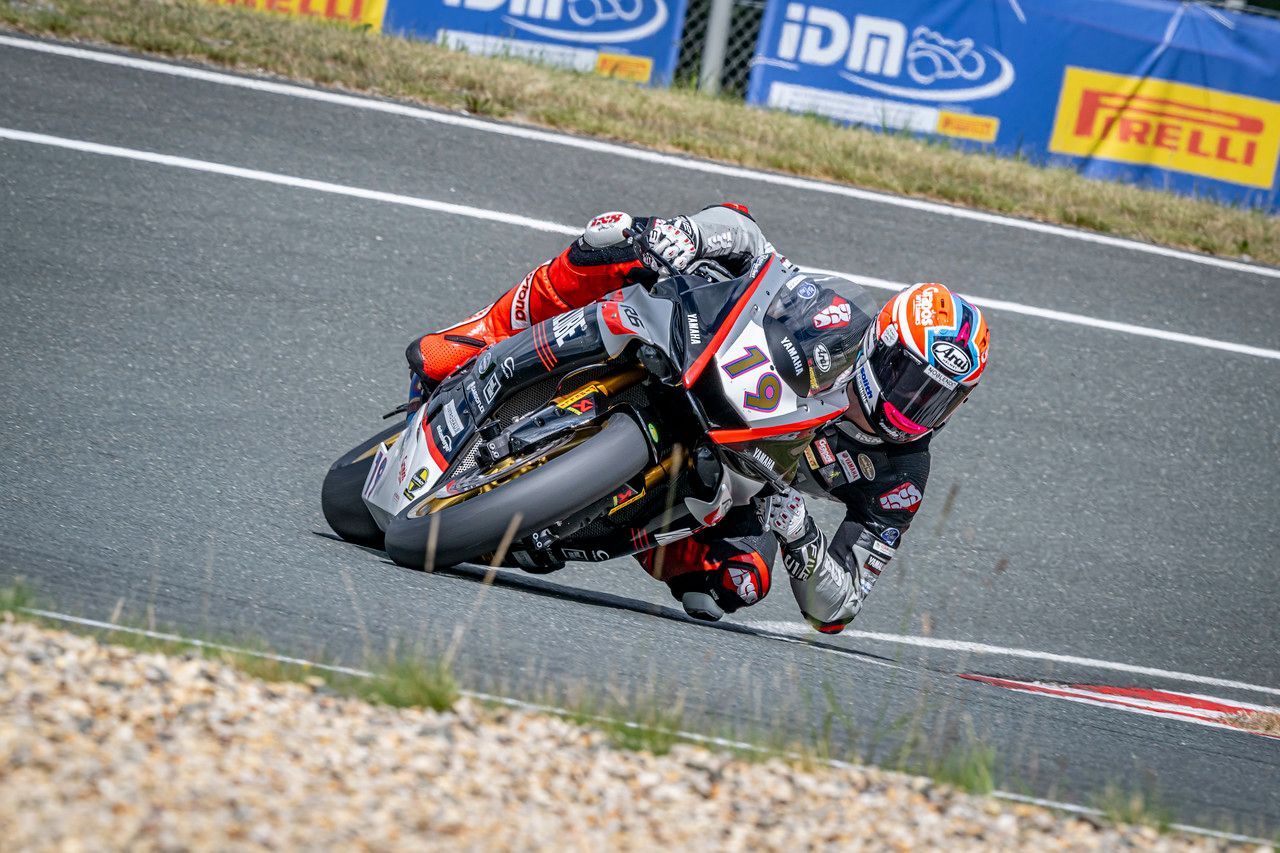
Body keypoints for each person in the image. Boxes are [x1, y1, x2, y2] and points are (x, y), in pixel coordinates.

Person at [405, 204, 990, 634]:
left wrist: (802, 537)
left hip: (748, 483)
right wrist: (690, 234)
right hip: (704, 365)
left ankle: (587, 519)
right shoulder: (838, 318)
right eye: (910, 381)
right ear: (881, 345)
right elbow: (756, 246)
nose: (914, 408)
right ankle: (480, 334)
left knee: (738, 582)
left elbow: (839, 607)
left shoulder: (902, 476)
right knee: (614, 239)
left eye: (939, 400)